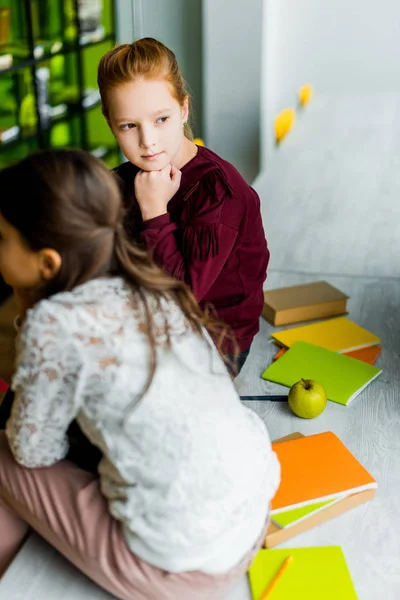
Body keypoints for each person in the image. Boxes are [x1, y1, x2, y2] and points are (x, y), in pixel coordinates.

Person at [0, 149, 280, 600]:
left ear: (48, 263)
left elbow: (32, 451)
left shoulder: (54, 321)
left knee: (5, 452)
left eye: (2, 238)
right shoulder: (149, 282)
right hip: (249, 516)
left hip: (182, 566)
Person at [97, 37, 270, 375]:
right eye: (129, 126)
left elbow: (181, 301)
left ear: (184, 109)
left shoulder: (218, 192)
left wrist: (154, 211)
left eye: (161, 119)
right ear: (111, 126)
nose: (148, 142)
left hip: (211, 345)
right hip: (143, 324)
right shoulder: (122, 180)